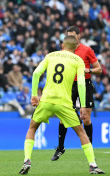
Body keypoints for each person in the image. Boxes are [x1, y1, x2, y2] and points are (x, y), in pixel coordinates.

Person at [19, 36, 105, 175]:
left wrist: (34, 95)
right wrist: (82, 105)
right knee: (81, 132)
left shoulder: (50, 56)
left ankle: (27, 160)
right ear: (76, 47)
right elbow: (81, 84)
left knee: (32, 128)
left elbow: (36, 73)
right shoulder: (78, 60)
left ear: (63, 45)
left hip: (46, 100)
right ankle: (93, 165)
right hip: (64, 102)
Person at [51, 26, 102, 161]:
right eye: (68, 36)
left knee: (85, 117)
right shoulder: (64, 51)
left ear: (79, 36)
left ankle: (89, 150)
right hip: (69, 86)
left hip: (84, 84)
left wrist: (87, 70)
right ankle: (60, 148)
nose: (71, 39)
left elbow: (99, 69)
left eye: (73, 36)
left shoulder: (87, 50)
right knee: (63, 118)